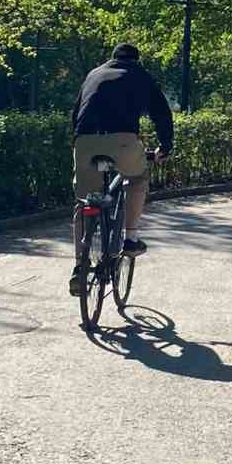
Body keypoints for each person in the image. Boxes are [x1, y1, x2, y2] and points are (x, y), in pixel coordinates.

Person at [69, 42, 174, 295]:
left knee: (85, 203)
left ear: (112, 58)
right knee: (137, 179)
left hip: (85, 141)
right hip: (123, 141)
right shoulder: (140, 75)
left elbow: (76, 113)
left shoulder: (93, 74)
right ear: (137, 60)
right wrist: (165, 147)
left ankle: (79, 268)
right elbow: (161, 113)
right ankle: (130, 238)